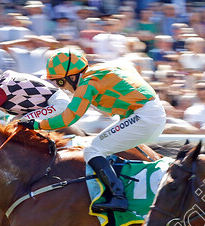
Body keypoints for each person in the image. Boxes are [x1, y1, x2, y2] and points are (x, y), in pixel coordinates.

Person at [19, 48, 167, 212]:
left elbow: (69, 118)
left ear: (73, 76)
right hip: (147, 113)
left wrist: (36, 124)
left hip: (144, 117)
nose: (62, 88)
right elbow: (130, 67)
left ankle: (119, 197)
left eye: (60, 82)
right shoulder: (102, 69)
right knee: (101, 146)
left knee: (92, 150)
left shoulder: (87, 83)